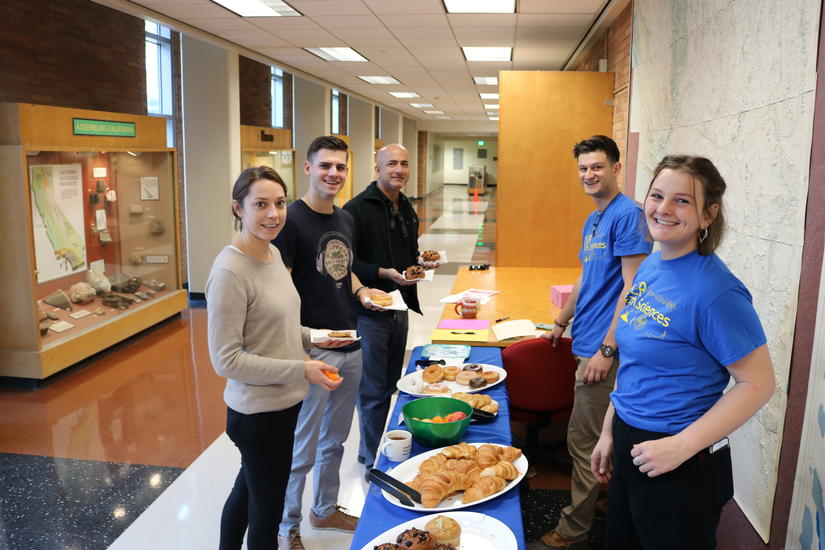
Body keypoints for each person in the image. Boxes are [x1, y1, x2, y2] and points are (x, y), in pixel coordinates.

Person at [590, 155, 775, 549]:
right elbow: (635, 364)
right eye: (657, 196)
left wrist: (683, 445)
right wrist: (610, 429)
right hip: (630, 437)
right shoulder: (651, 267)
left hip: (680, 455)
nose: (663, 209)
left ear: (708, 215)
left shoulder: (717, 291)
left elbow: (758, 383)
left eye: (682, 201)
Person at [205, 166, 345, 550]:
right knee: (266, 515)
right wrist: (303, 368)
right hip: (257, 415)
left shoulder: (273, 252)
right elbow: (226, 360)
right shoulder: (230, 271)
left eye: (280, 203)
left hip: (283, 405)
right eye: (261, 205)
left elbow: (279, 326)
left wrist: (317, 337)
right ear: (238, 208)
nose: (273, 214)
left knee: (248, 492)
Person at [541, 135, 652, 548]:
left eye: (597, 167)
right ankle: (605, 502)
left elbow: (632, 288)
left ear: (616, 168)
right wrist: (560, 320)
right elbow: (586, 275)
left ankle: (574, 530)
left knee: (584, 440)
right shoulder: (594, 218)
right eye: (584, 169)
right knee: (600, 439)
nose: (589, 175)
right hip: (584, 339)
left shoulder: (629, 216)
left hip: (603, 351)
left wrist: (608, 349)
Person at [274, 136, 385, 550]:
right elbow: (280, 292)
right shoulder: (292, 221)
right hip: (312, 348)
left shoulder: (345, 219)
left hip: (350, 341)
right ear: (307, 168)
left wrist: (361, 293)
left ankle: (324, 508)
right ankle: (288, 527)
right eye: (325, 166)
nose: (333, 174)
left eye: (339, 167)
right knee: (303, 446)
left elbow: (344, 270)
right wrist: (298, 350)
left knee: (335, 438)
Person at [343, 143, 429, 471]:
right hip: (369, 313)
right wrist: (383, 273)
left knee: (392, 383)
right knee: (372, 390)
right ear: (376, 169)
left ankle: (387, 448)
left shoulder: (405, 206)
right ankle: (370, 459)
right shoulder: (356, 209)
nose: (399, 170)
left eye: (404, 164)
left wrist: (418, 265)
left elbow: (408, 251)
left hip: (398, 307)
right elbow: (347, 264)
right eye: (391, 163)